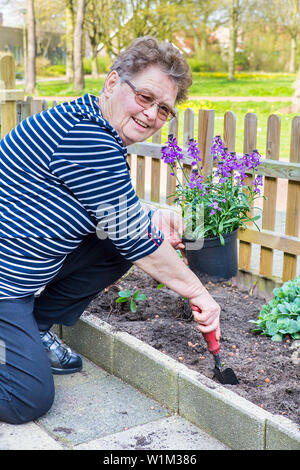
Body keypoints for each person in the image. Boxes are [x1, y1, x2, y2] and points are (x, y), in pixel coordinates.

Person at [0, 36, 220, 425]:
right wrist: (198, 292)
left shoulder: (90, 123)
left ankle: (32, 330)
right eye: (145, 97)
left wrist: (150, 216)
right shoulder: (87, 137)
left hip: (18, 270)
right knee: (28, 399)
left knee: (114, 244)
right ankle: (25, 337)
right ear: (113, 83)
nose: (152, 114)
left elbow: (114, 212)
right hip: (6, 286)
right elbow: (133, 235)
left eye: (164, 109)